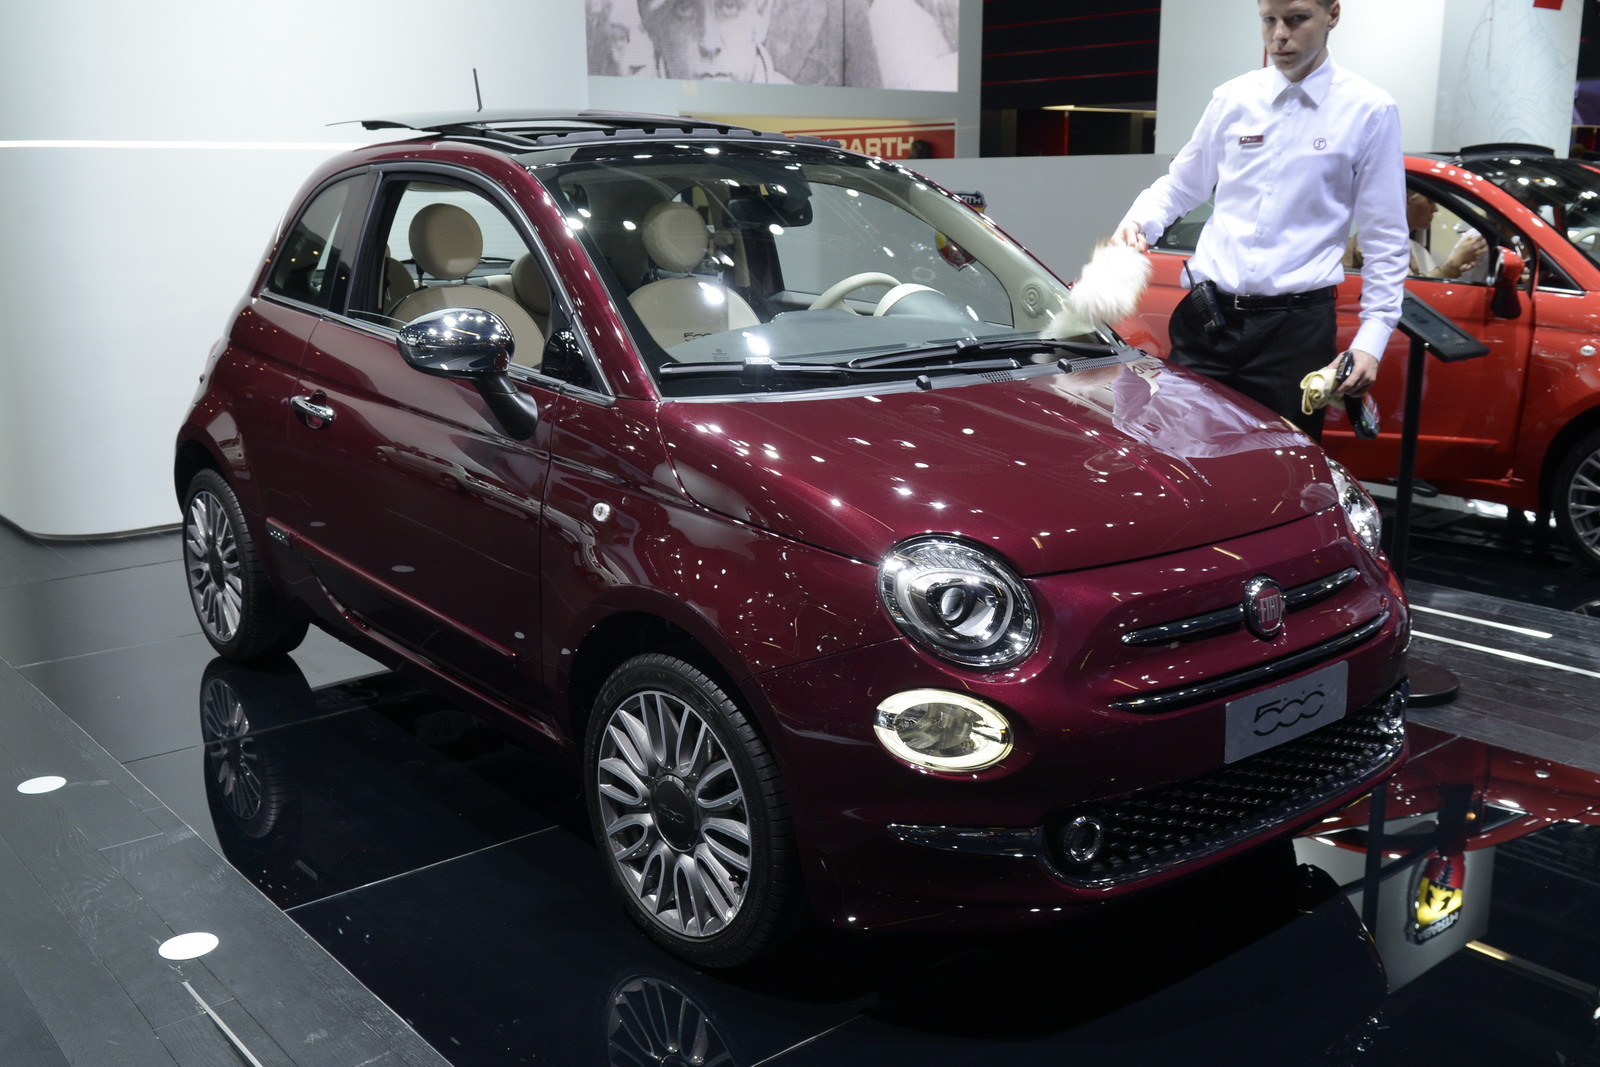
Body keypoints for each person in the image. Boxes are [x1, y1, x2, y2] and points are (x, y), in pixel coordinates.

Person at [1111, 0, 1408, 439]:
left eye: (1296, 19)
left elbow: (1385, 238)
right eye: (1269, 20)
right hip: (1208, 323)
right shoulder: (1233, 98)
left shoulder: (1369, 110)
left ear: (1332, 15)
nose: (1279, 34)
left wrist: (1372, 341)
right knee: (1184, 456)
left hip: (1294, 335)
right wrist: (1139, 222)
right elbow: (1182, 184)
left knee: (1285, 466)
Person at [635, 0, 791, 83]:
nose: (709, 44)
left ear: (762, 15)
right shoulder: (624, 107)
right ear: (652, 27)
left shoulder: (800, 116)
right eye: (684, 9)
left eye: (730, 7)